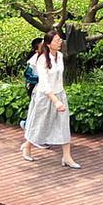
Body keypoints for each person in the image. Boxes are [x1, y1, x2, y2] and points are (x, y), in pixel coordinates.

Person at [21, 30, 79, 169]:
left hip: (59, 94)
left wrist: (60, 97)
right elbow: (44, 83)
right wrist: (55, 100)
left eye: (60, 40)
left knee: (64, 124)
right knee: (40, 124)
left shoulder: (59, 55)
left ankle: (66, 156)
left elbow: (58, 78)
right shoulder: (41, 59)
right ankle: (27, 146)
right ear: (48, 43)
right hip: (46, 96)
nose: (60, 42)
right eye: (57, 40)